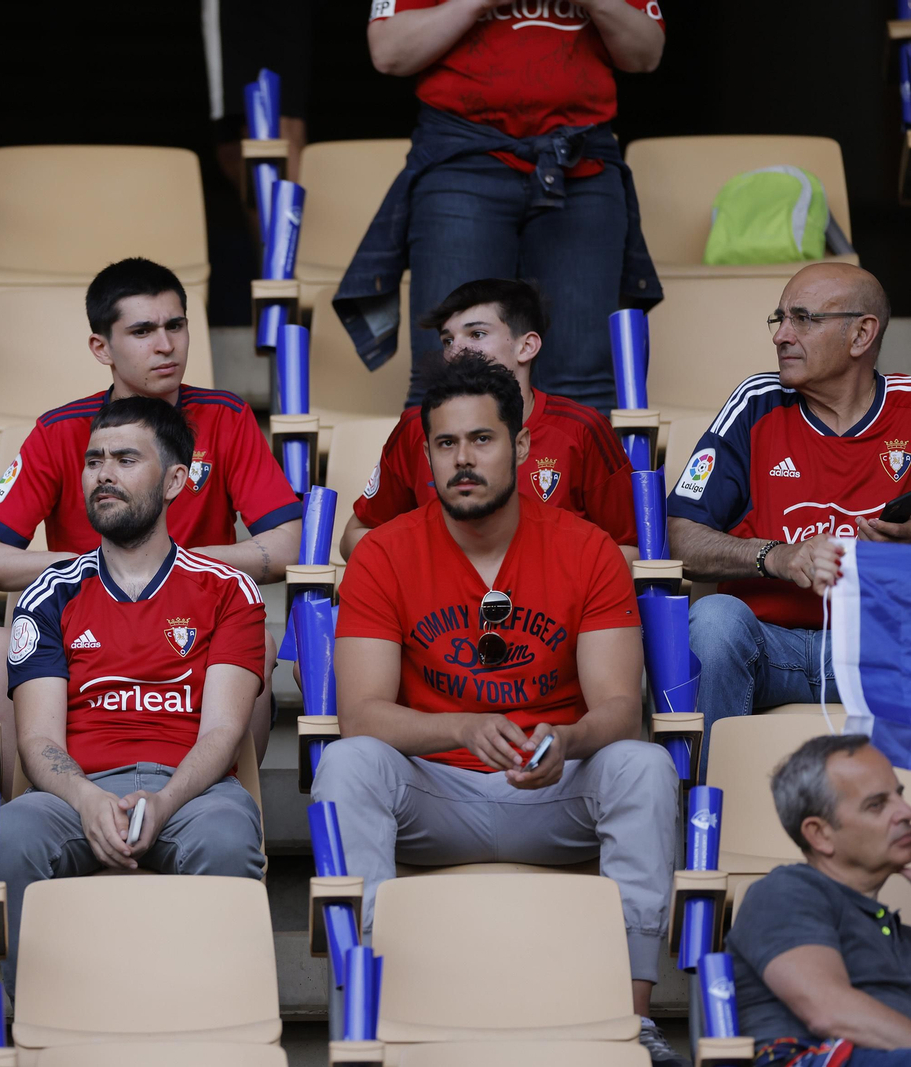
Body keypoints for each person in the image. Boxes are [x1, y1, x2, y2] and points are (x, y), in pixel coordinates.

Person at [310, 354, 683, 1065]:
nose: (463, 459)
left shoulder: (588, 549)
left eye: (481, 439)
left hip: (553, 790)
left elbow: (618, 707)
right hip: (435, 794)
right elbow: (361, 714)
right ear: (426, 456)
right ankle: (370, 1015)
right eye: (445, 443)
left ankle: (631, 1018)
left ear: (521, 445)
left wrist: (566, 740)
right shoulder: (384, 552)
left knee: (642, 766)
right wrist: (460, 726)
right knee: (349, 764)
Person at [0, 257, 302, 781]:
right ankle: (37, 805)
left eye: (176, 326)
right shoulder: (60, 430)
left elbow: (289, 541)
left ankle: (226, 802)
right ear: (101, 348)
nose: (165, 345)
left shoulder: (226, 416)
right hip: (81, 623)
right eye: (142, 331)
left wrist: (171, 566)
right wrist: (101, 566)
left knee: (259, 642)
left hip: (196, 624)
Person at [0, 397, 268, 982]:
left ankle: (220, 1017)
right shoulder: (49, 593)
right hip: (78, 791)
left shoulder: (229, 590)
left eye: (125, 459)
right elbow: (38, 739)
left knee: (227, 838)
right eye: (94, 460)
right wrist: (86, 799)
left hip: (192, 795)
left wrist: (165, 801)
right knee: (13, 833)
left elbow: (224, 731)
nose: (104, 474)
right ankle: (39, 1017)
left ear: (175, 481)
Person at [335, 0, 664, 411]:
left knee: (582, 383)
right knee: (449, 378)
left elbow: (646, 54)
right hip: (462, 160)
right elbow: (389, 52)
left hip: (581, 163)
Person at [667, 264, 911, 765]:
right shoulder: (756, 404)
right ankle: (703, 803)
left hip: (880, 649)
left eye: (803, 318)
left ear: (861, 334)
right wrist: (776, 557)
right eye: (780, 318)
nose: (781, 335)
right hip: (765, 646)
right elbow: (679, 535)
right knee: (712, 620)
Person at [339, 277, 636, 561]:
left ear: (526, 347)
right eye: (447, 340)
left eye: (476, 334)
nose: (456, 351)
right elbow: (356, 535)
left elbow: (635, 548)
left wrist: (551, 577)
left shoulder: (581, 429)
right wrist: (428, 570)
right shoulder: (416, 427)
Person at [727, 735, 911, 1066]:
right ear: (820, 834)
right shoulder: (784, 892)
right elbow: (830, 1011)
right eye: (877, 805)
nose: (905, 812)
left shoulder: (896, 932)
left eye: (900, 795)